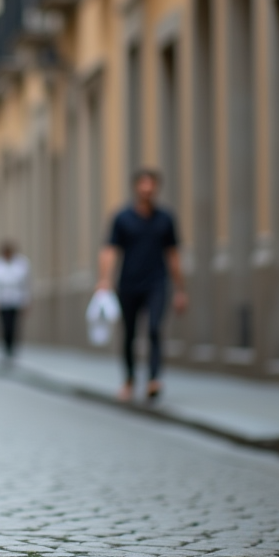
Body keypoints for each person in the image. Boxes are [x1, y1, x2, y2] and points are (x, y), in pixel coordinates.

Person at [96, 169, 187, 402]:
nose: (147, 189)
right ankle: (129, 379)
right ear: (136, 187)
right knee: (130, 334)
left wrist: (180, 290)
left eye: (151, 185)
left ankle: (154, 379)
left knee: (155, 329)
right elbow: (110, 250)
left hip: (157, 282)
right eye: (143, 185)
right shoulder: (123, 218)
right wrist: (104, 280)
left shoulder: (165, 218)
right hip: (128, 284)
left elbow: (173, 255)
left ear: (156, 188)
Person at [0, 241, 30, 361]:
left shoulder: (21, 264)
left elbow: (27, 284)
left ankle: (12, 348)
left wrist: (26, 301)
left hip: (15, 301)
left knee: (13, 326)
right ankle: (5, 347)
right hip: (0, 301)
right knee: (4, 326)